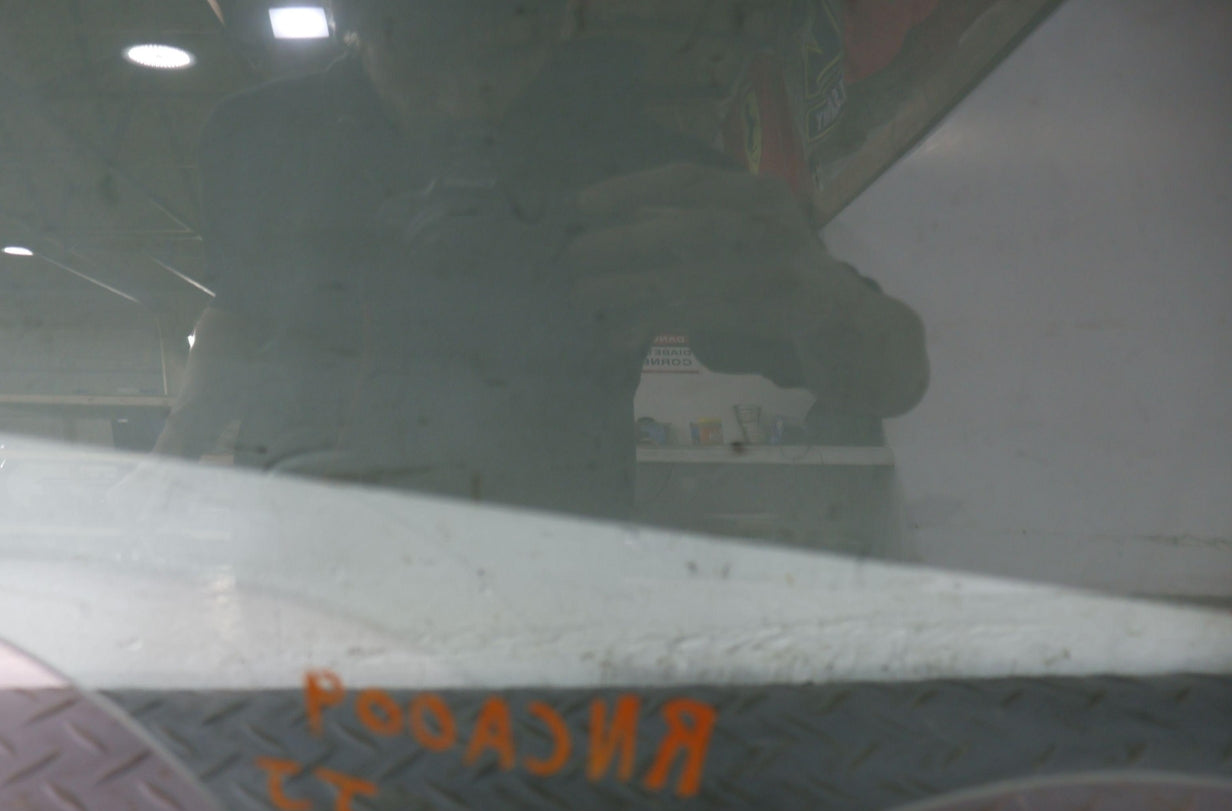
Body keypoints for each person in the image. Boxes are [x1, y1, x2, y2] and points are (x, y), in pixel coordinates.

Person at [158, 0, 927, 520]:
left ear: (559, 23)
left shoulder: (631, 164)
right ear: (358, 20)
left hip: (529, 589)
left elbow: (896, 375)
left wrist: (818, 298)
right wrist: (178, 453)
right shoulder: (258, 141)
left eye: (503, 40)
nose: (462, 96)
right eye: (421, 43)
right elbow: (243, 308)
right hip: (326, 569)